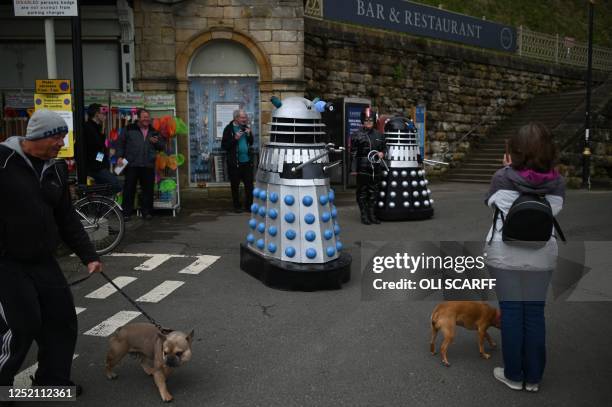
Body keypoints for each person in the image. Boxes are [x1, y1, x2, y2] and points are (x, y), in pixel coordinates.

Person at [0, 109, 103, 393]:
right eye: (57, 137)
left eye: (63, 136)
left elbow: (66, 218)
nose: (61, 143)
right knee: (23, 324)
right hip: (7, 262)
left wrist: (89, 256)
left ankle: (52, 380)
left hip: (43, 259)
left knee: (61, 318)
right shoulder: (4, 161)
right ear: (39, 136)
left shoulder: (56, 168)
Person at [484, 122, 565, 392]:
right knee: (533, 312)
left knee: (511, 312)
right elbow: (556, 209)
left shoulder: (501, 177)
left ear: (515, 151)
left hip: (504, 253)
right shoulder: (558, 182)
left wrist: (507, 167)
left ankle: (514, 375)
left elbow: (491, 202)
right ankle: (533, 378)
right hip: (541, 254)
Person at [116, 109, 165, 221]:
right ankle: (126, 213)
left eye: (148, 117)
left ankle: (147, 212)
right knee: (129, 189)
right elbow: (120, 143)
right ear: (138, 118)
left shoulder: (154, 131)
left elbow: (162, 146)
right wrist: (119, 156)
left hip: (148, 164)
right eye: (144, 117)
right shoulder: (129, 128)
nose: (146, 119)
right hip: (132, 163)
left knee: (148, 190)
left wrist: (156, 142)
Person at [350, 107, 385, 225]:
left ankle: (372, 215)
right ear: (362, 121)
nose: (368, 122)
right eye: (366, 120)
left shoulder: (380, 135)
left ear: (374, 121)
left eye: (370, 120)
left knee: (374, 192)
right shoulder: (356, 135)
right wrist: (353, 169)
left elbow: (384, 149)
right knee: (362, 192)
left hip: (376, 168)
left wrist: (382, 153)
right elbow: (353, 153)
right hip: (362, 168)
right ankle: (364, 215)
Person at [221, 109, 254, 213]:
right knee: (235, 186)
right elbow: (224, 146)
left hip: (247, 162)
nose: (245, 119)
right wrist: (235, 138)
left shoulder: (246, 128)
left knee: (249, 185)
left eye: (245, 117)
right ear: (236, 118)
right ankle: (237, 206)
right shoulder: (229, 129)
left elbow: (251, 142)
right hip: (235, 163)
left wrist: (249, 135)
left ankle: (249, 206)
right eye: (242, 117)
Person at [83, 103, 121, 193]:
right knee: (115, 185)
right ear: (96, 114)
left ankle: (100, 203)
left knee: (104, 188)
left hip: (99, 165)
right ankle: (88, 191)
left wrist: (106, 152)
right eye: (103, 113)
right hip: (94, 167)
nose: (105, 116)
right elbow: (94, 148)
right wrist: (105, 153)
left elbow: (98, 149)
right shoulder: (88, 128)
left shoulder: (96, 128)